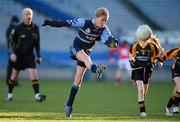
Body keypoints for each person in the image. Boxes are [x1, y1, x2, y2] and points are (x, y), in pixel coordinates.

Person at [42, 7, 118, 118]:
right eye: (103, 19)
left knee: (78, 80)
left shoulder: (104, 29)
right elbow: (67, 23)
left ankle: (68, 105)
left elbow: (109, 40)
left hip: (86, 51)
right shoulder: (85, 22)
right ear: (96, 17)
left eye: (106, 20)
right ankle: (96, 69)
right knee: (87, 59)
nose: (104, 22)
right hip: (75, 48)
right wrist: (51, 23)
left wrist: (114, 43)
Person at [7, 8, 46, 102]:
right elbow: (11, 42)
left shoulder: (35, 28)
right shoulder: (18, 28)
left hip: (30, 56)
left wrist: (39, 55)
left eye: (30, 14)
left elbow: (37, 44)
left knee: (34, 76)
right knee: (13, 76)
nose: (28, 16)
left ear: (32, 16)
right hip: (19, 56)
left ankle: (37, 95)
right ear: (22, 16)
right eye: (26, 14)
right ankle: (9, 95)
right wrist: (12, 53)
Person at [129, 25, 161, 116]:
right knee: (140, 89)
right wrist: (131, 61)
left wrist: (157, 62)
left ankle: (141, 99)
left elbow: (158, 57)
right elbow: (131, 55)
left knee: (144, 92)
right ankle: (142, 111)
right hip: (137, 69)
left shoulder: (152, 46)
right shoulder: (134, 45)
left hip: (147, 69)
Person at [160, 47, 180, 116]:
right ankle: (176, 106)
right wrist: (160, 61)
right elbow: (166, 55)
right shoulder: (177, 50)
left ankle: (168, 107)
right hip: (176, 70)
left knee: (177, 89)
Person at [6, 15, 20, 86]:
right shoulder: (11, 29)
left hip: (12, 50)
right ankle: (11, 81)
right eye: (16, 22)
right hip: (12, 50)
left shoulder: (11, 28)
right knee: (13, 67)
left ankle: (12, 81)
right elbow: (11, 41)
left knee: (13, 66)